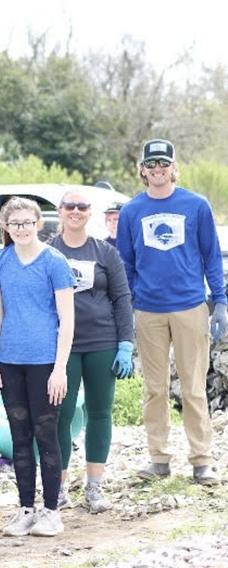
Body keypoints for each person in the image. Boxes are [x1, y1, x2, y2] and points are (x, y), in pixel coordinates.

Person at [116, 139, 225, 485]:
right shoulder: (132, 211)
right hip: (148, 311)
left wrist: (220, 300)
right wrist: (128, 307)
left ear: (174, 167)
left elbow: (211, 256)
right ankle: (158, 458)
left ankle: (201, 460)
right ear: (143, 169)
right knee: (155, 388)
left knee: (193, 387)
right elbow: (125, 264)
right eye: (152, 164)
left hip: (191, 307)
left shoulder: (196, 206)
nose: (158, 169)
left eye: (164, 163)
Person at [0, 197, 75, 538]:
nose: (21, 228)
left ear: (38, 223)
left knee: (46, 435)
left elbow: (67, 319)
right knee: (19, 437)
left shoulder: (54, 262)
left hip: (45, 362)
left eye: (27, 222)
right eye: (14, 223)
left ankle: (51, 510)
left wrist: (60, 367)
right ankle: (25, 508)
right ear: (5, 227)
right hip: (9, 360)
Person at [51, 191, 133, 514]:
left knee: (100, 412)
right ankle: (57, 488)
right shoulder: (48, 251)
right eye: (69, 206)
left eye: (81, 207)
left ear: (89, 213)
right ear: (59, 212)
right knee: (61, 414)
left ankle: (94, 486)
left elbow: (122, 298)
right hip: (62, 347)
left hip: (102, 341)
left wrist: (126, 343)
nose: (75, 211)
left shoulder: (106, 253)